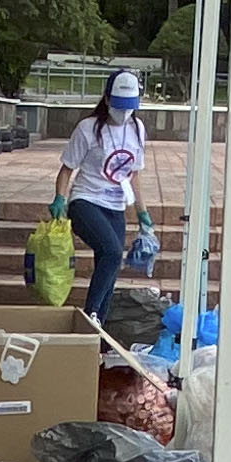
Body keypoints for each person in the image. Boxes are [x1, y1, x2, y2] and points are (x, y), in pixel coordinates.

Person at [49, 70, 147, 318]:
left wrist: (143, 215)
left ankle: (99, 329)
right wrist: (60, 198)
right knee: (112, 252)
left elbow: (134, 175)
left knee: (110, 267)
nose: (124, 112)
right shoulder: (88, 128)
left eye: (129, 106)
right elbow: (67, 169)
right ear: (106, 99)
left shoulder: (137, 128)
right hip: (86, 200)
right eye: (119, 105)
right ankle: (90, 313)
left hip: (116, 205)